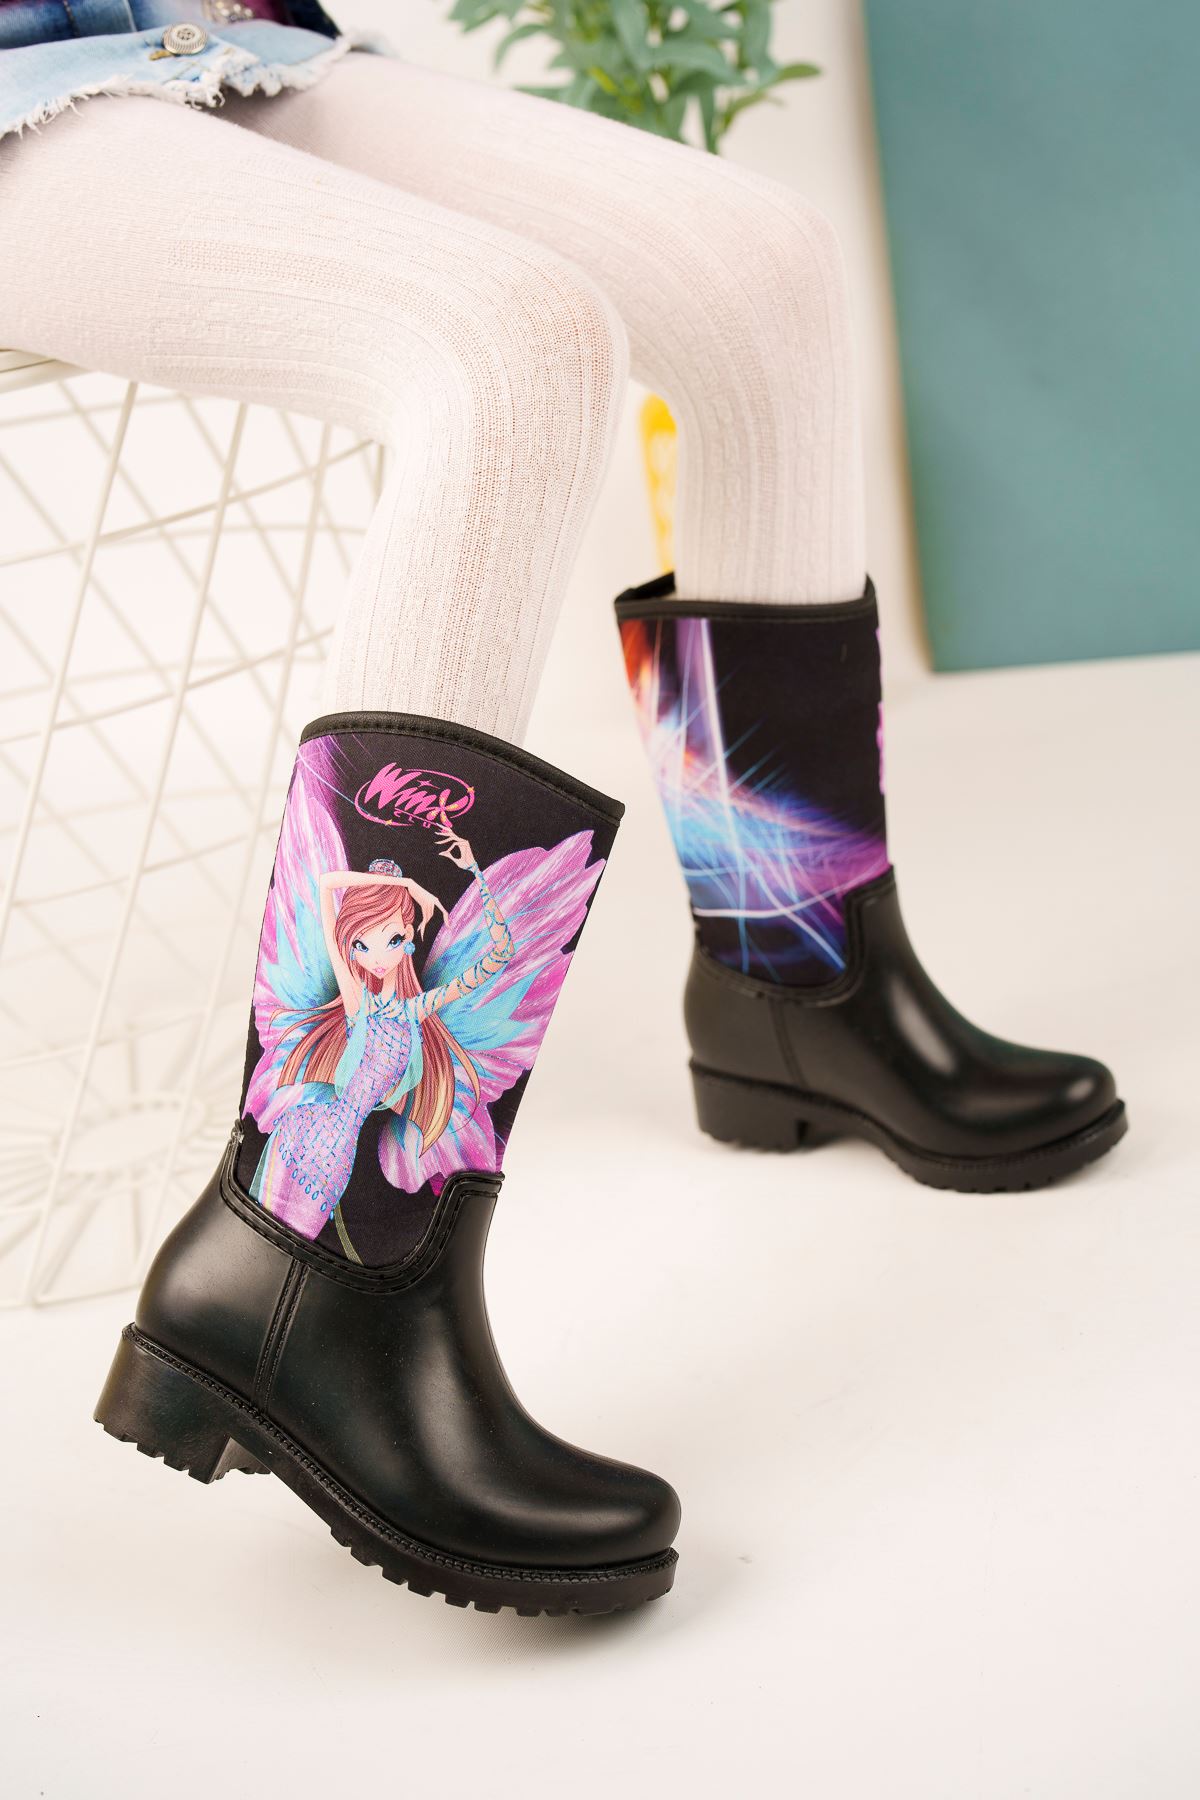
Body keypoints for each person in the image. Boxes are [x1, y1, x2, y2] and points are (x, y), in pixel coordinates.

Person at [4, 2, 1124, 1616]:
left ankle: (796, 976)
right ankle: (313, 1249)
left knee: (764, 273)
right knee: (512, 345)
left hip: (194, 32)